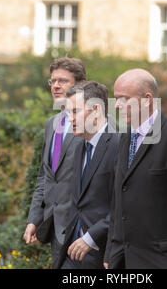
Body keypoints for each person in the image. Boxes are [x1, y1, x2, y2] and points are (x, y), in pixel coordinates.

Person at [106, 68, 167, 269]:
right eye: (116, 99)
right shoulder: (126, 137)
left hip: (166, 262)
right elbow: (119, 201)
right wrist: (111, 253)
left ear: (147, 99)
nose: (117, 106)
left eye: (124, 99)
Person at [23, 57, 86, 264]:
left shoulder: (97, 124)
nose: (56, 86)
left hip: (83, 227)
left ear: (79, 85)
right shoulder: (53, 123)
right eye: (53, 81)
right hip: (55, 227)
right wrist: (34, 219)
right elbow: (45, 176)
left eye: (63, 81)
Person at [54, 81, 119, 269]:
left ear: (96, 110)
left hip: (102, 254)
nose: (70, 119)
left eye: (75, 112)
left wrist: (91, 237)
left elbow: (123, 206)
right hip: (71, 252)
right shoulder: (79, 147)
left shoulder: (118, 146)